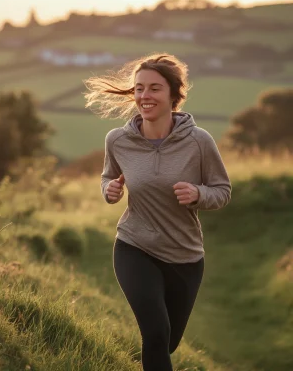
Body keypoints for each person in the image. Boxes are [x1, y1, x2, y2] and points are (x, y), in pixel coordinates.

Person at [84, 53, 232, 371]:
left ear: (174, 95)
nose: (144, 96)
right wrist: (109, 191)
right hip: (134, 246)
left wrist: (198, 194)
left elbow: (222, 191)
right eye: (139, 89)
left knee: (168, 342)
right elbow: (109, 177)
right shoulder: (118, 140)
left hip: (185, 256)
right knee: (156, 333)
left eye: (154, 88)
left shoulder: (198, 141)